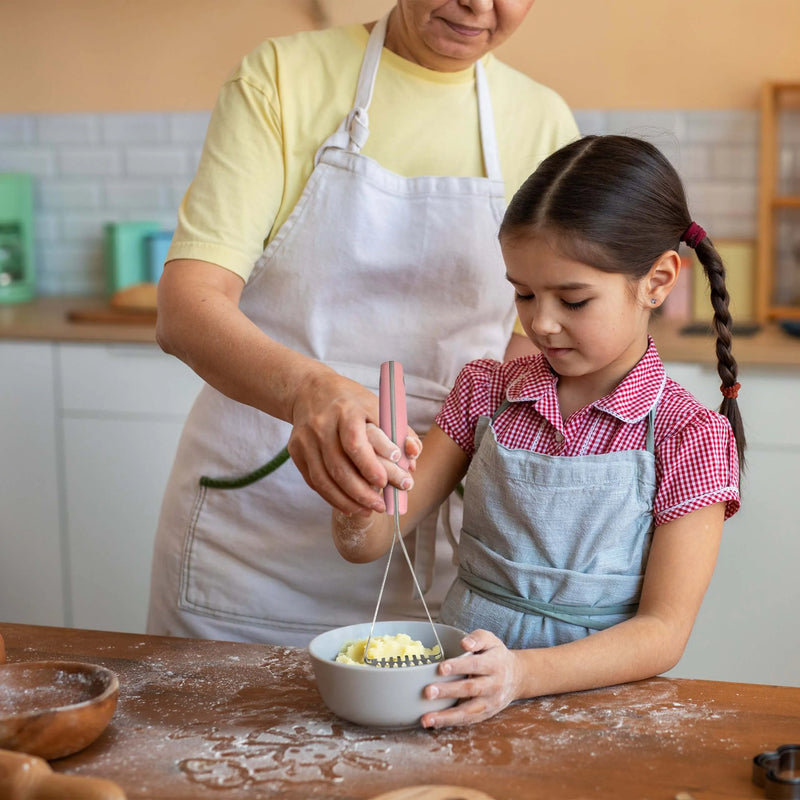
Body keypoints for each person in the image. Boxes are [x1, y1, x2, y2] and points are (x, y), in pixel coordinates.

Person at [146, 1, 579, 645]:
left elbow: (528, 352)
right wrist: (309, 392)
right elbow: (186, 308)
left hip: (438, 538)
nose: (478, 3)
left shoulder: (543, 122)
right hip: (252, 544)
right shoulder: (281, 78)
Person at [332, 134, 744, 728]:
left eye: (573, 300)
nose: (541, 322)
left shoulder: (690, 435)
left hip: (597, 713)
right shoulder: (486, 391)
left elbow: (663, 633)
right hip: (454, 694)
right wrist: (357, 486)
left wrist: (522, 675)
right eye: (523, 293)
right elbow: (369, 541)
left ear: (657, 281)